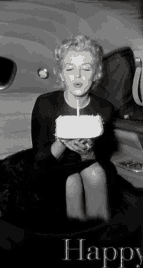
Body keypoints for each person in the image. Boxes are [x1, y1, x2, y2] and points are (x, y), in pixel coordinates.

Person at [30, 35, 116, 226]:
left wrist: (89, 150)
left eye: (86, 69)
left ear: (96, 74)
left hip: (89, 162)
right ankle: (76, 235)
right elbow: (39, 159)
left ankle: (99, 231)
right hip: (52, 165)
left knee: (95, 173)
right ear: (61, 74)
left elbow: (105, 153)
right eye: (70, 69)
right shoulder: (45, 104)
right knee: (72, 182)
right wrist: (62, 142)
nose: (77, 76)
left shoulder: (105, 108)